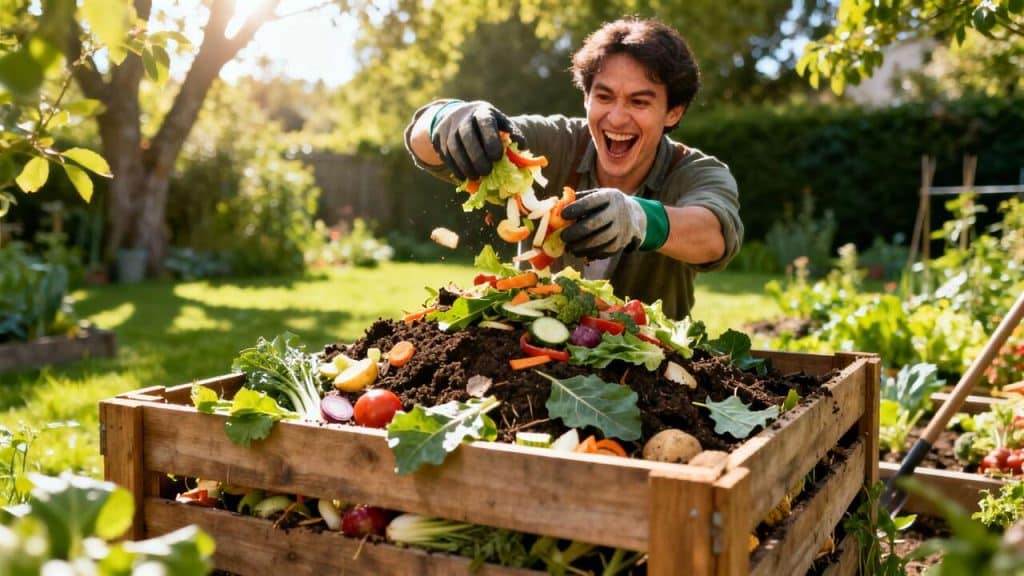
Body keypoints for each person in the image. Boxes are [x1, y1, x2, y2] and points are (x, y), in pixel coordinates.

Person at [404, 16, 742, 319]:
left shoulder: (696, 170)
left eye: (639, 102)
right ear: (586, 98)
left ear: (674, 112)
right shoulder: (554, 141)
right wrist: (446, 118)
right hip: (535, 352)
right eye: (604, 97)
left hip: (648, 364)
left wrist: (639, 218)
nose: (617, 117)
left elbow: (715, 237)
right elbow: (424, 144)